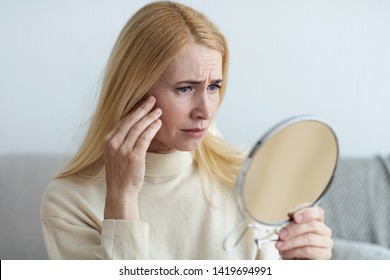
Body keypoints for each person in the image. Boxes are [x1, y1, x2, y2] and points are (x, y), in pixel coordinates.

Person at [40, 1, 333, 260]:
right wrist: (122, 198)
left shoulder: (246, 180)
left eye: (214, 87)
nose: (205, 111)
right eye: (184, 88)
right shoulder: (68, 203)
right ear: (134, 91)